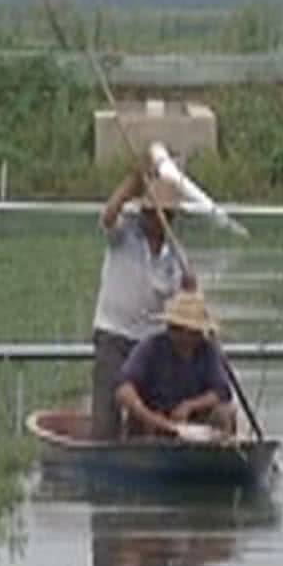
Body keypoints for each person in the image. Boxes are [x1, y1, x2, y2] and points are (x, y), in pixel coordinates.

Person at [90, 159, 194, 440]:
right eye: (152, 213)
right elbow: (107, 217)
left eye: (166, 215)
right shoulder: (124, 233)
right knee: (106, 422)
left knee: (145, 421)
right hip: (114, 334)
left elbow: (183, 308)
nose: (158, 220)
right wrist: (131, 184)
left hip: (151, 343)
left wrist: (190, 289)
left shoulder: (176, 256)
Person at [113, 291, 238, 440]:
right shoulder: (151, 347)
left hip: (193, 420)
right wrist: (149, 416)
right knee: (138, 422)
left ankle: (216, 451)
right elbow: (123, 389)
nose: (195, 336)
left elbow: (221, 390)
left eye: (196, 331)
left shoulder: (208, 350)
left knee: (225, 412)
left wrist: (190, 406)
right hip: (154, 418)